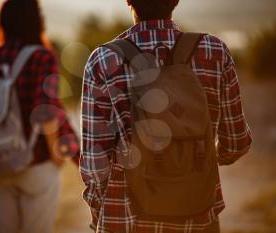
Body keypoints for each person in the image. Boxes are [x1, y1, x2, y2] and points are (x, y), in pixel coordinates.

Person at [80, 0, 252, 232]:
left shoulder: (102, 59)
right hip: (198, 216)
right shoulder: (214, 51)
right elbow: (236, 143)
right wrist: (194, 158)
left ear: (128, 1)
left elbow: (94, 163)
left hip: (125, 218)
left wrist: (100, 211)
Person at [0, 0, 79, 232]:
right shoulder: (43, 57)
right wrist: (56, 155)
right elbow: (46, 111)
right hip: (37, 162)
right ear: (36, 21)